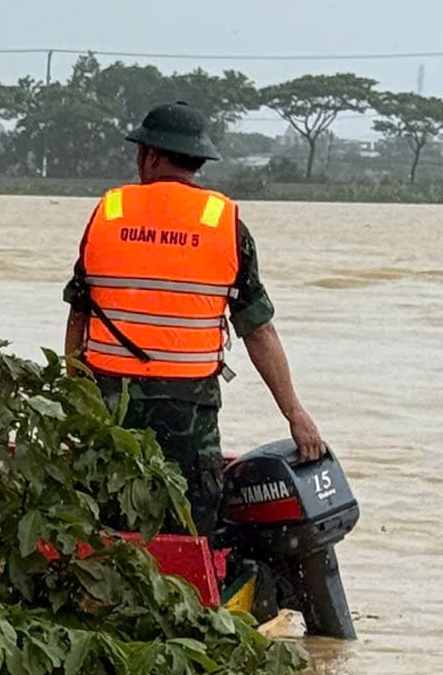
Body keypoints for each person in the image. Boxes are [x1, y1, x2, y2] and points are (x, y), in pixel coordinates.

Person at [64, 101, 326, 538]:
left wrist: (70, 398)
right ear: (197, 161)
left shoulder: (108, 213)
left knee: (106, 525)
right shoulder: (224, 223)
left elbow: (79, 313)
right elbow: (258, 329)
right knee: (189, 526)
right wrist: (295, 414)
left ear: (150, 155)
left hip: (108, 406)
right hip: (188, 414)